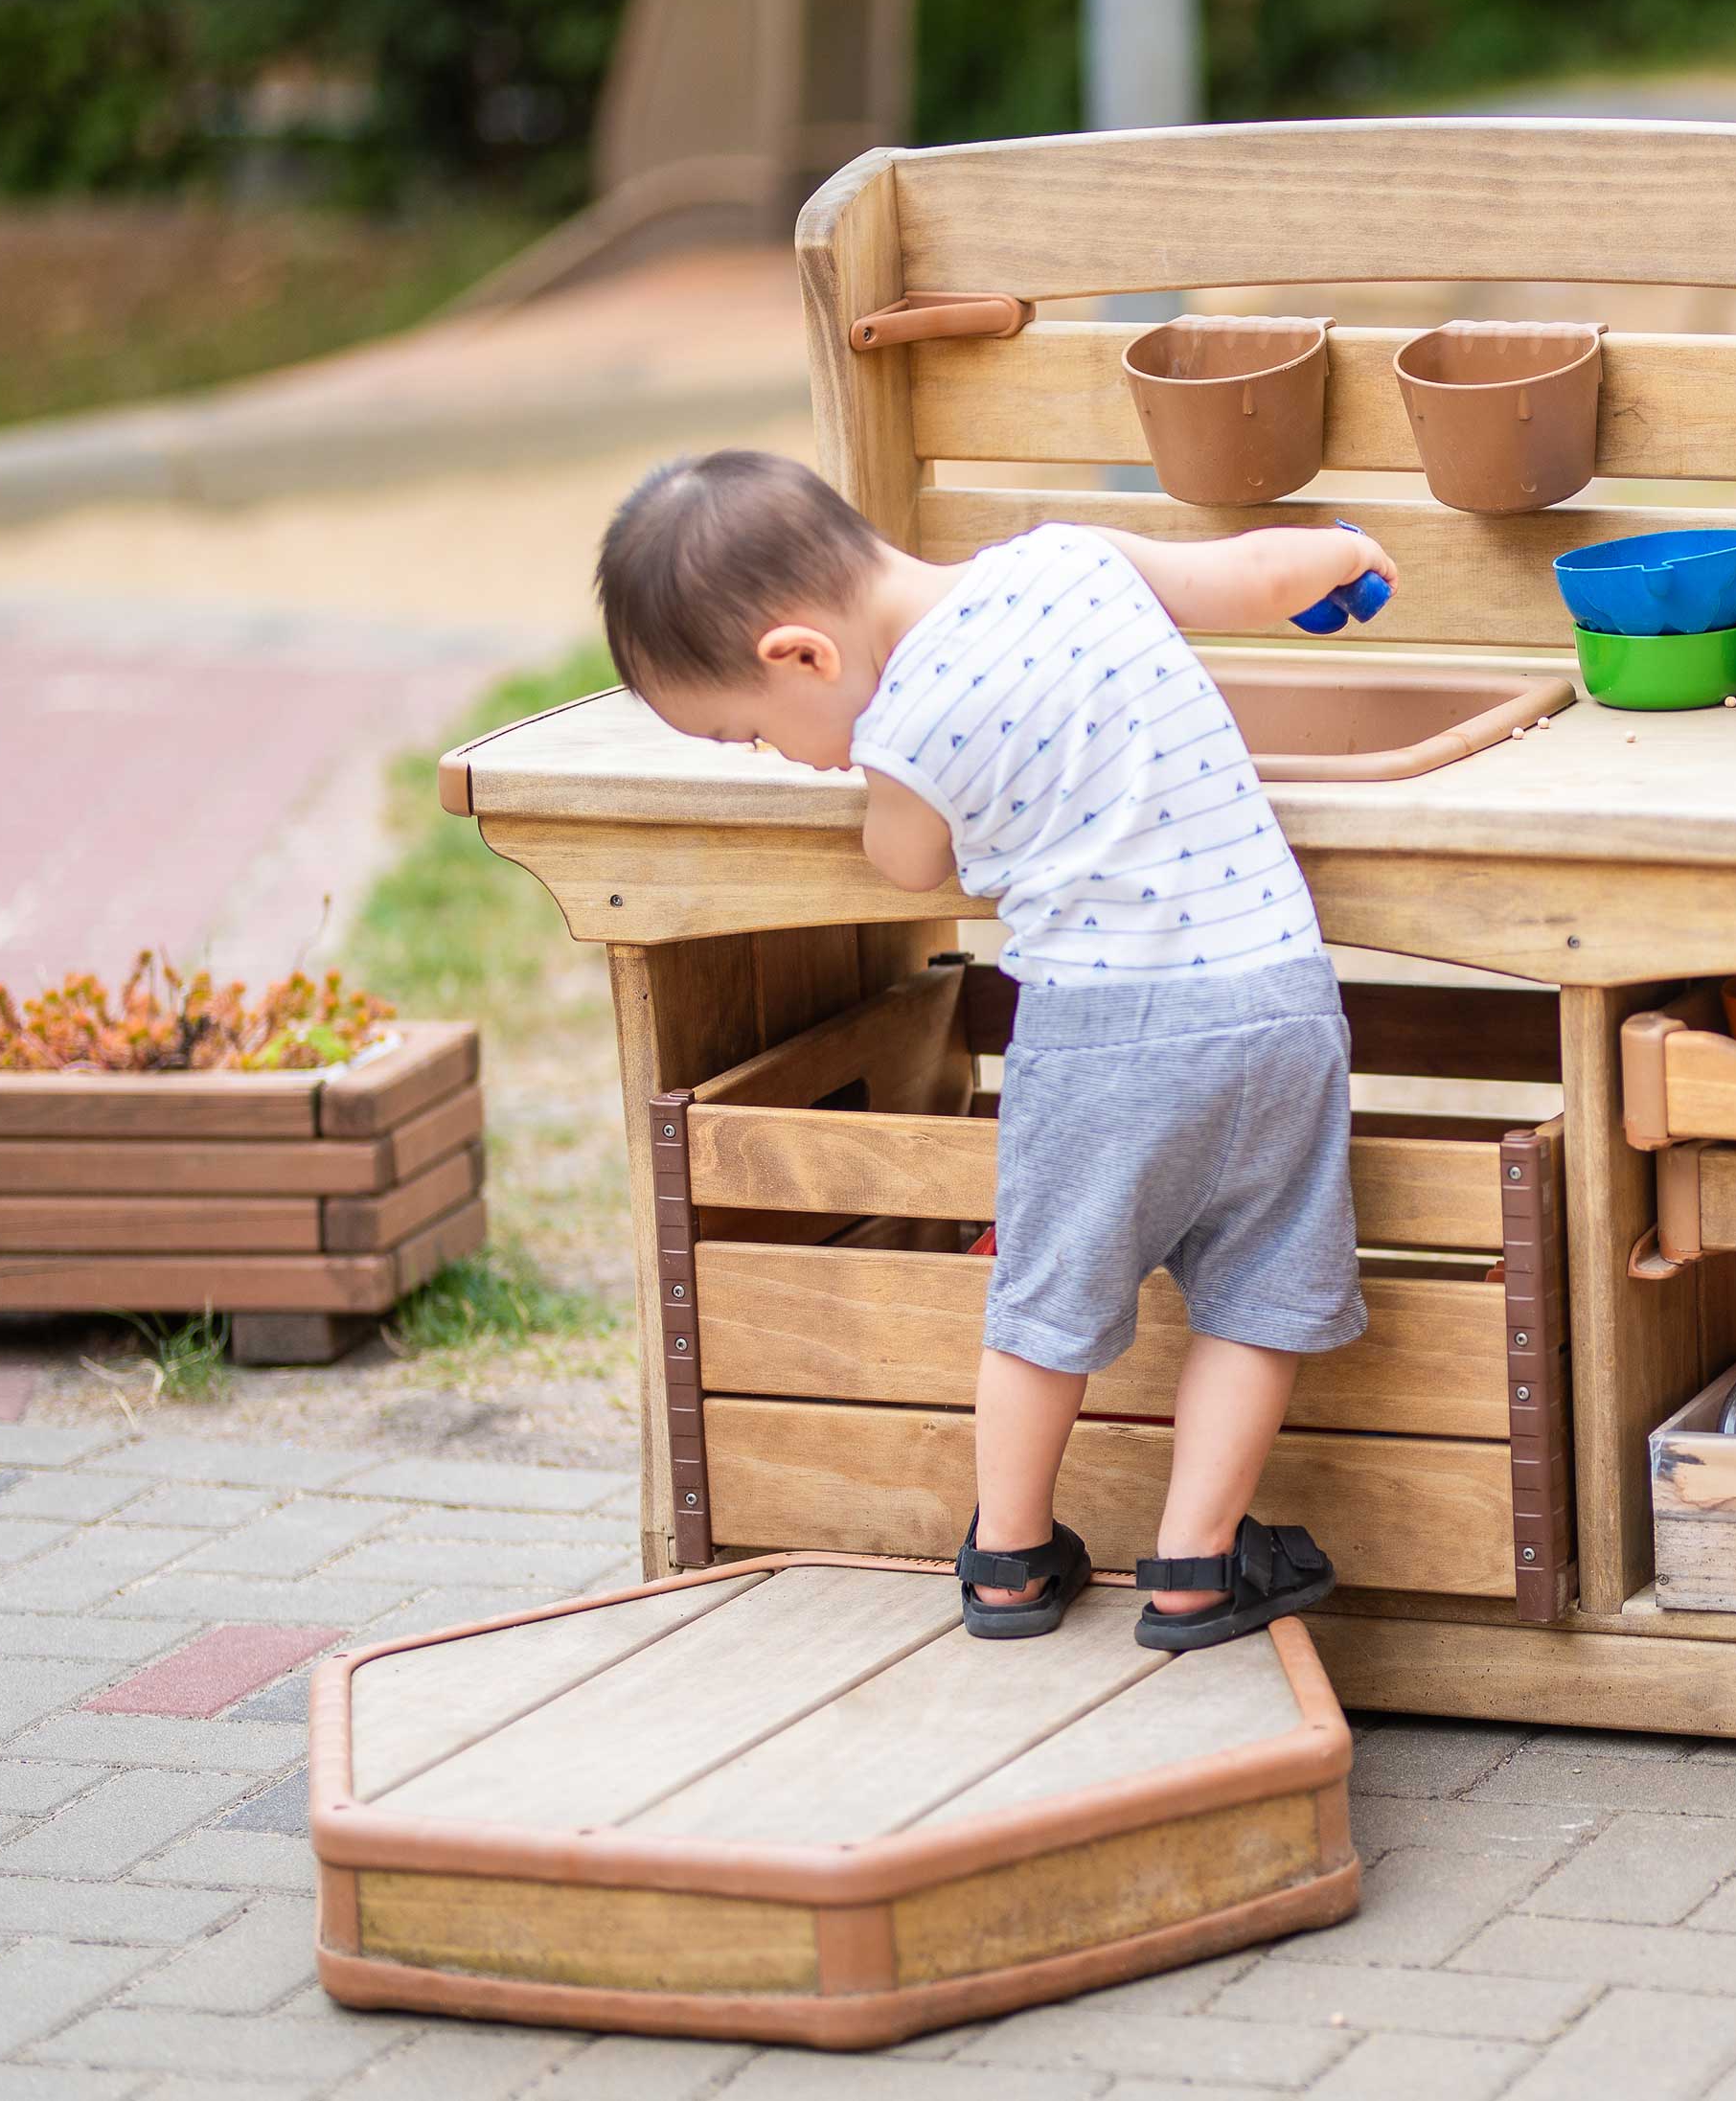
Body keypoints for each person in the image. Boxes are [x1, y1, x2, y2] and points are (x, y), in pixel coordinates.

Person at [594, 449, 1395, 1650]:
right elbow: (1248, 573)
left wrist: (880, 787)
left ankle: (1012, 1557)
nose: (774, 752)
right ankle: (1196, 1564)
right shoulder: (1069, 556)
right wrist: (1343, 557)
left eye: (750, 731)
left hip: (1102, 1034)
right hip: (1275, 1002)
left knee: (1047, 1300)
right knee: (1260, 1295)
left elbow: (909, 864)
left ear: (801, 655)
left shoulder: (904, 727)